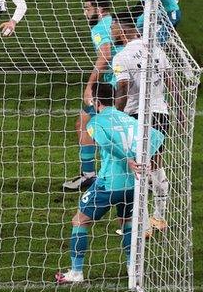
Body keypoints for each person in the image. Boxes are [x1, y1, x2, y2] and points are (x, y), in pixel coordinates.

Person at [55, 82, 165, 284]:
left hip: (108, 184)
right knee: (128, 225)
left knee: (79, 221)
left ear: (96, 101)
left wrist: (127, 160)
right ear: (113, 99)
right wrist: (147, 162)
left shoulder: (95, 123)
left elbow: (105, 143)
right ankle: (133, 270)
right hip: (133, 185)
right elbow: (158, 136)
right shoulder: (129, 119)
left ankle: (76, 272)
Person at [111, 13, 173, 237]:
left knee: (138, 170)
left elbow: (124, 88)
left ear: (123, 29)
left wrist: (115, 117)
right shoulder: (156, 49)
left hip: (136, 116)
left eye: (113, 28)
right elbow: (171, 80)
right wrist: (181, 111)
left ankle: (143, 226)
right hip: (161, 113)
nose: (111, 32)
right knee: (155, 165)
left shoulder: (122, 56)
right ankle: (160, 217)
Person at [63, 0, 121, 190]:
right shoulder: (114, 22)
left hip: (117, 84)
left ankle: (90, 176)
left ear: (100, 9)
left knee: (86, 123)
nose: (85, 12)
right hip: (125, 82)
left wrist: (89, 86)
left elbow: (104, 55)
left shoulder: (100, 27)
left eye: (88, 8)